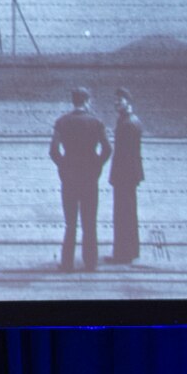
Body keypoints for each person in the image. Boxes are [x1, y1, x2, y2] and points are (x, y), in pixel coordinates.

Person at [49, 88, 110, 271]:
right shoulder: (96, 123)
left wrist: (63, 166)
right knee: (89, 222)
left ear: (73, 101)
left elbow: (53, 151)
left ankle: (67, 263)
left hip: (69, 179)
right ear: (87, 101)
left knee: (71, 223)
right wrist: (97, 166)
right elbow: (107, 149)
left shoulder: (62, 122)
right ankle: (90, 262)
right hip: (89, 178)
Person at [107, 87, 144, 263]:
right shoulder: (130, 120)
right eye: (115, 101)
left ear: (127, 102)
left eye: (119, 101)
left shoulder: (127, 124)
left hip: (124, 176)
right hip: (130, 175)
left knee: (122, 214)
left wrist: (116, 176)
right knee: (129, 213)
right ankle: (131, 250)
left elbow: (125, 154)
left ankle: (122, 254)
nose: (116, 104)